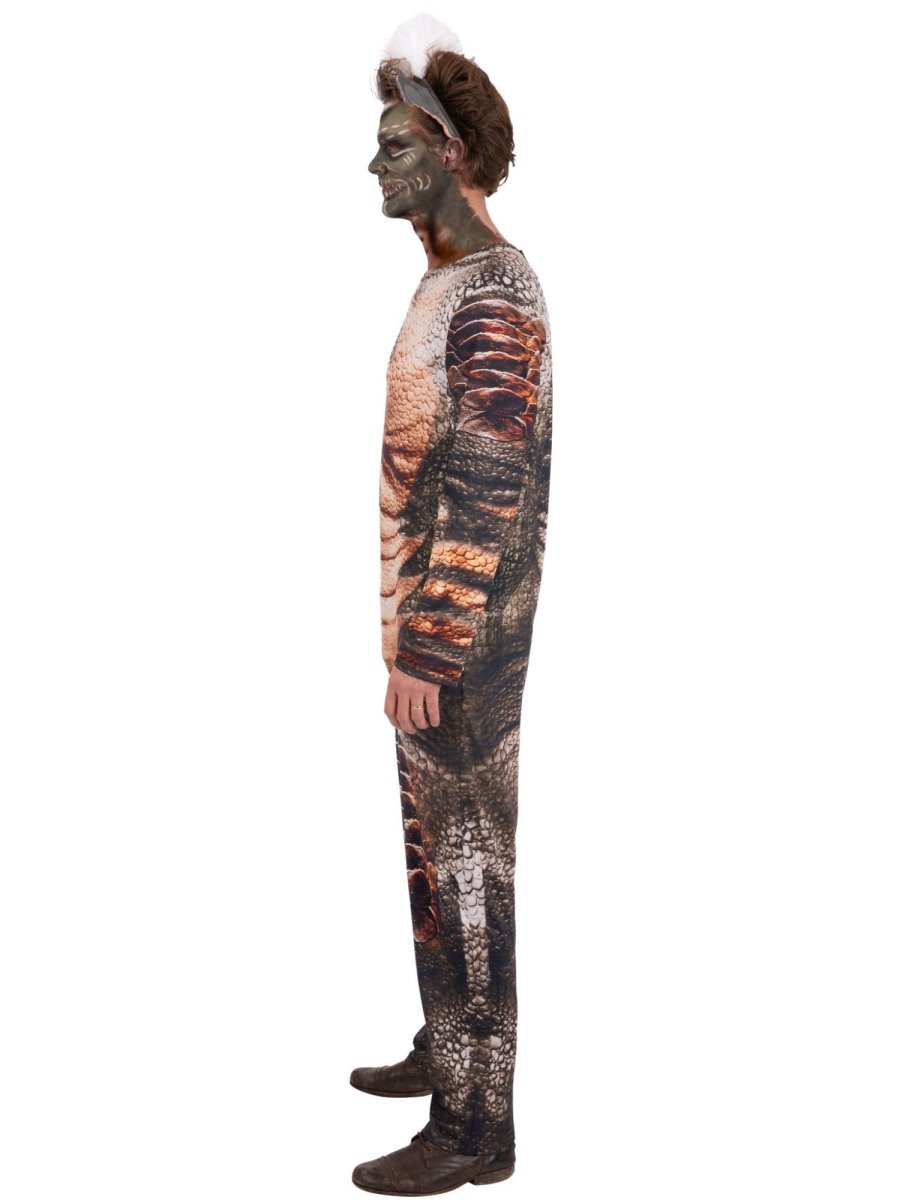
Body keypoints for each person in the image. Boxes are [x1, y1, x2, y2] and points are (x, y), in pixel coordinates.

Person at [351, 17, 553, 1195]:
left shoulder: (495, 294)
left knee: (473, 875)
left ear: (451, 152)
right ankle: (450, 1046)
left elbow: (487, 477)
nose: (374, 164)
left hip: (463, 647)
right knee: (438, 863)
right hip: (435, 634)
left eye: (394, 144)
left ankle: (479, 1129)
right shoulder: (447, 284)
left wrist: (429, 646)